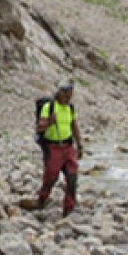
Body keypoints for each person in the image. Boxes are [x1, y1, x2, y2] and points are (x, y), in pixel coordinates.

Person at [32, 83, 83, 216]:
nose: (68, 99)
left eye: (70, 96)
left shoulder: (70, 108)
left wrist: (80, 145)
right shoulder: (49, 107)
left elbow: (74, 126)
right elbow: (39, 128)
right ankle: (42, 198)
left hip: (68, 146)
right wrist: (50, 122)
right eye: (66, 96)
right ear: (60, 93)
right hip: (53, 147)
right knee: (51, 177)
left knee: (72, 176)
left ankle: (69, 208)